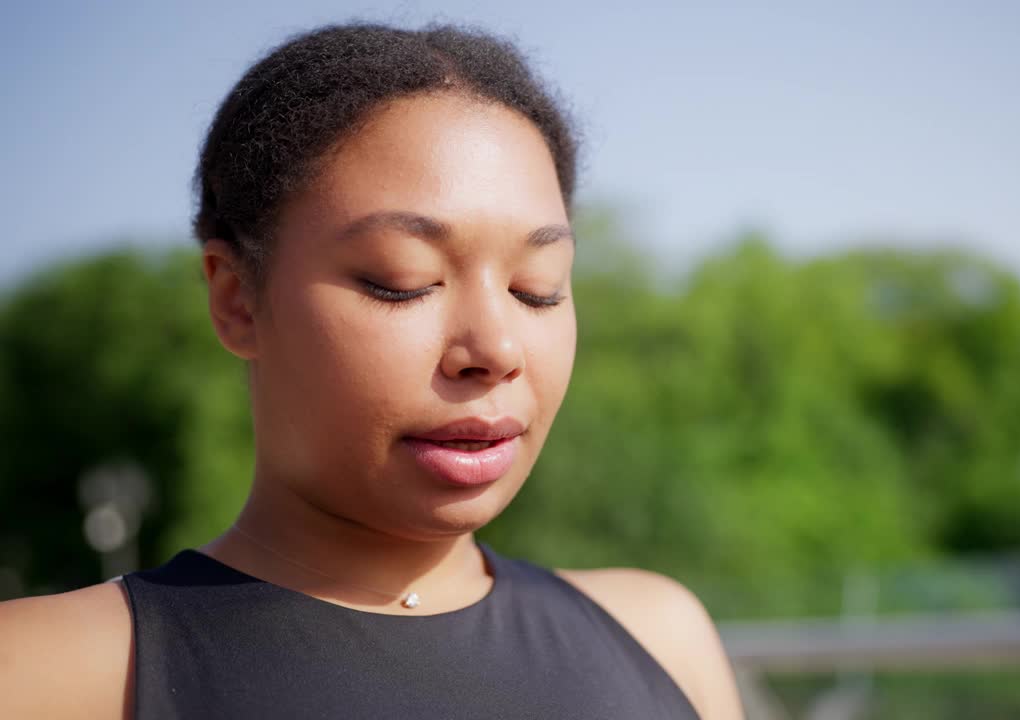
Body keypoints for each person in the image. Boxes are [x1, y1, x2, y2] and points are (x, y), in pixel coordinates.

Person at [0, 22, 744, 719]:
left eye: (536, 287)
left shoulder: (657, 638)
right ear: (236, 300)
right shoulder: (51, 671)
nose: (496, 348)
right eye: (403, 280)